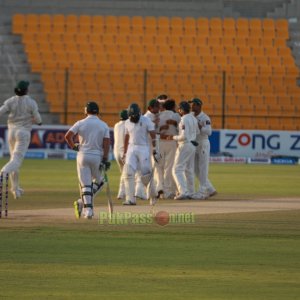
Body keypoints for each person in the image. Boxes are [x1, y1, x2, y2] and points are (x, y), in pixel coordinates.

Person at [65, 101, 110, 219]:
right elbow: (106, 143)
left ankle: (86, 209)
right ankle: (84, 206)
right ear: (98, 111)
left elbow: (67, 136)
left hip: (82, 155)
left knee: (85, 185)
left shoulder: (80, 123)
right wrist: (105, 159)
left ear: (86, 111)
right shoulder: (103, 125)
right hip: (97, 156)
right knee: (100, 181)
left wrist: (74, 146)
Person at [0, 80, 42, 199]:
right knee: (16, 161)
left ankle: (15, 189)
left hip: (11, 132)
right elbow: (38, 119)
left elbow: (1, 111)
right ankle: (3, 173)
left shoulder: (10, 101)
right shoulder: (31, 102)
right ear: (26, 90)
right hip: (23, 133)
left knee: (14, 160)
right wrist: (37, 121)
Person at [122, 103, 160, 205]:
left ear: (139, 113)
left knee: (146, 174)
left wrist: (155, 149)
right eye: (132, 117)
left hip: (143, 147)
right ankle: (130, 199)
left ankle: (153, 195)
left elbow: (153, 135)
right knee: (128, 172)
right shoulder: (127, 122)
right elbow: (126, 137)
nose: (134, 119)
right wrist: (125, 152)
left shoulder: (146, 120)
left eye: (136, 117)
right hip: (131, 147)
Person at [160, 101, 199, 200]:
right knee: (188, 169)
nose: (178, 111)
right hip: (192, 144)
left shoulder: (183, 119)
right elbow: (197, 132)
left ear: (181, 109)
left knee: (176, 169)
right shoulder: (193, 118)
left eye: (179, 109)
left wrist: (172, 137)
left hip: (185, 145)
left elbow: (183, 136)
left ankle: (183, 192)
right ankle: (190, 192)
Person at [113, 109, 146, 200]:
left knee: (124, 173)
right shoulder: (129, 125)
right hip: (125, 152)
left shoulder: (116, 125)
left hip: (116, 153)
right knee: (138, 171)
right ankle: (138, 192)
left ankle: (121, 193)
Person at [189, 98, 217, 199]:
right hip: (194, 143)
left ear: (199, 106)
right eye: (191, 104)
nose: (192, 106)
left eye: (194, 105)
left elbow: (209, 132)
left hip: (203, 144)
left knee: (203, 168)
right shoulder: (191, 116)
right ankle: (210, 189)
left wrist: (200, 127)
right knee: (195, 169)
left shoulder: (205, 117)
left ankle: (202, 192)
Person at [156, 99, 181, 198]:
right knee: (169, 167)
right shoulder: (177, 116)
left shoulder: (159, 115)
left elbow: (155, 130)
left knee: (160, 167)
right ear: (173, 107)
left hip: (160, 142)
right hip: (172, 142)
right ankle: (168, 191)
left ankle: (160, 188)